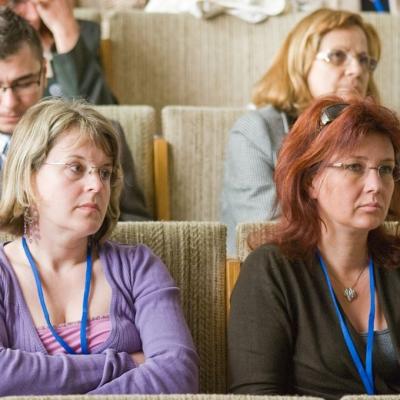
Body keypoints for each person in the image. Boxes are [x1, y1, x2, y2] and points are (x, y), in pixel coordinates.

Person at [0, 97, 198, 395]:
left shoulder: (138, 266)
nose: (97, 185)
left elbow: (178, 375)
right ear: (29, 177)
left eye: (104, 172)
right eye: (76, 168)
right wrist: (124, 364)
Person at [228, 96, 400, 398]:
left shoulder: (395, 262)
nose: (376, 185)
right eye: (355, 167)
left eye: (385, 169)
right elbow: (255, 394)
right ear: (310, 180)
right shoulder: (270, 271)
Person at [220, 8, 381, 255]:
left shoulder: (379, 140)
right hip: (279, 270)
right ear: (301, 63)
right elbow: (264, 231)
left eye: (364, 60)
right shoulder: (255, 132)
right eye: (337, 56)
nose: (357, 70)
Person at [0, 7, 151, 220]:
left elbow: (138, 227)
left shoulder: (107, 136)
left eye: (24, 84)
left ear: (44, 72)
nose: (9, 103)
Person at [2, 0, 116, 104]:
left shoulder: (86, 34)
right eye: (18, 1)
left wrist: (64, 30)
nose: (33, 15)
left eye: (39, 3)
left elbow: (96, 110)